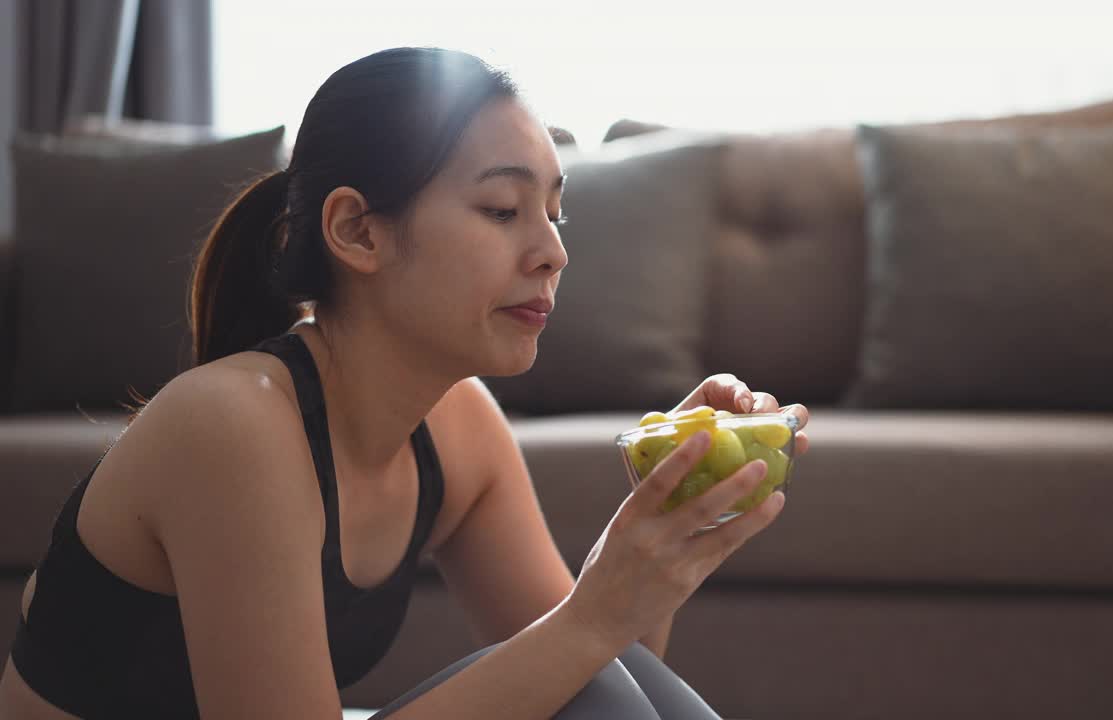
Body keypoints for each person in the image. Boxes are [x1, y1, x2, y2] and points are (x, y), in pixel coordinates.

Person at [0, 47, 811, 719]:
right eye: (502, 210)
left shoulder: (459, 427)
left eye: (555, 214)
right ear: (358, 231)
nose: (552, 252)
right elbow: (584, 640)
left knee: (601, 684)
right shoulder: (232, 425)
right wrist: (594, 614)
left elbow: (609, 673)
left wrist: (665, 521)